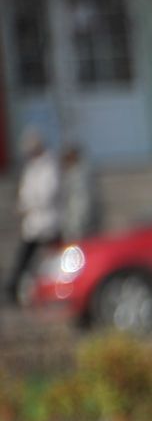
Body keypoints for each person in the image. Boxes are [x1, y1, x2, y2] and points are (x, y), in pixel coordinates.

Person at [9, 128, 61, 306]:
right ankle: (15, 291)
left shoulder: (49, 165)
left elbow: (46, 193)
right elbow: (25, 192)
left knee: (55, 258)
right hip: (32, 225)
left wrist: (30, 202)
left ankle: (57, 290)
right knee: (24, 260)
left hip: (47, 223)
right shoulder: (31, 167)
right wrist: (23, 204)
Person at [59, 143, 102, 244]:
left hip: (80, 223)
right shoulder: (69, 174)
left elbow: (83, 201)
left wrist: (79, 223)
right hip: (72, 221)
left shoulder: (81, 175)